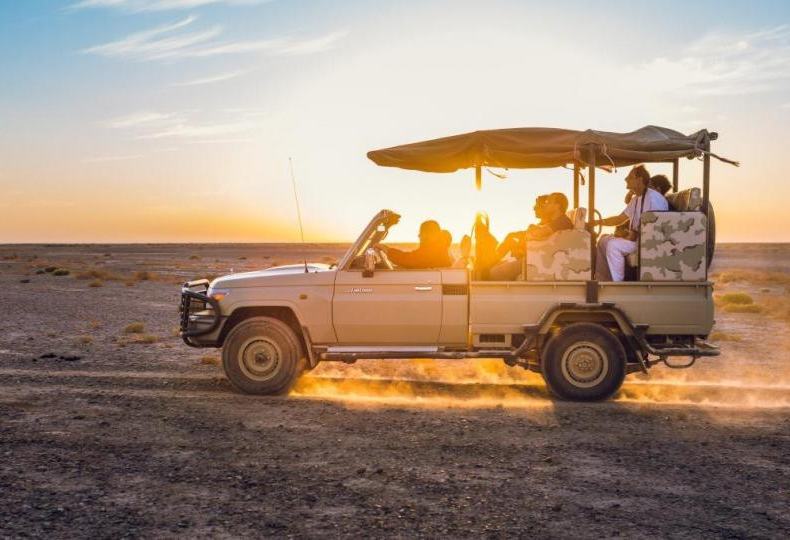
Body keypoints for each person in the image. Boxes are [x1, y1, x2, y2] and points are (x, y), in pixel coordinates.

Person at [591, 165, 668, 281]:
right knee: (603, 240)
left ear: (640, 180)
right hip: (637, 239)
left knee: (613, 245)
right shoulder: (636, 198)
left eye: (630, 177)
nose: (626, 179)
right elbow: (620, 218)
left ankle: (618, 284)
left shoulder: (654, 198)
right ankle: (603, 281)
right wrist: (598, 222)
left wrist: (634, 234)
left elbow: (656, 226)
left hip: (649, 243)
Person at [489, 192, 573, 280]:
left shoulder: (562, 221)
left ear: (557, 206)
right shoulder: (556, 221)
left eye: (548, 202)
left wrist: (531, 233)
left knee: (494, 273)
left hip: (537, 261)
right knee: (497, 267)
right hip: (536, 258)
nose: (545, 205)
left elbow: (536, 234)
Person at [381, 220, 452, 269]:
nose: (419, 235)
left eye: (421, 233)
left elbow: (409, 260)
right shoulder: (439, 248)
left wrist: (386, 249)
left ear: (428, 235)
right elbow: (413, 259)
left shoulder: (433, 251)